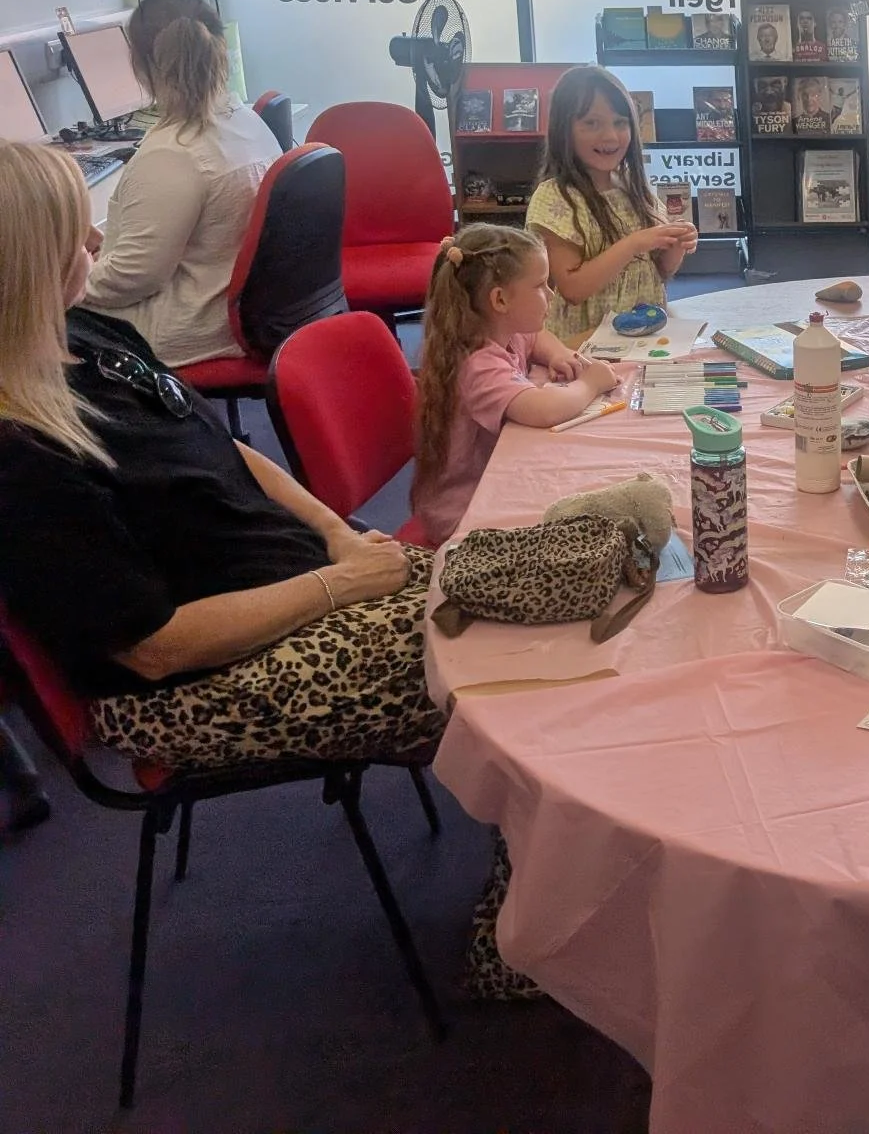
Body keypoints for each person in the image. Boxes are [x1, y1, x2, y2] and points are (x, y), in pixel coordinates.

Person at [0, 142, 530, 995]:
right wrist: (337, 583)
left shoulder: (87, 336)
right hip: (199, 688)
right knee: (521, 659)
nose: (95, 242)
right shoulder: (21, 452)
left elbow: (233, 455)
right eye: (73, 232)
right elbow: (155, 651)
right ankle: (517, 943)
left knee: (535, 595)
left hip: (297, 589)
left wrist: (338, 535)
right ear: (24, 263)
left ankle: (546, 894)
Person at [80, 0, 282, 367]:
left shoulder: (172, 152)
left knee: (29, 316)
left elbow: (133, 278)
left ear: (142, 65)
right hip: (239, 312)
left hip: (181, 329)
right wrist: (106, 247)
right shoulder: (245, 122)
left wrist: (64, 283)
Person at [409, 225, 620, 548]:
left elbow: (536, 337)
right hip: (466, 515)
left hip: (497, 482)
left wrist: (559, 353)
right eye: (540, 285)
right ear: (500, 299)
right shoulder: (477, 365)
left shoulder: (503, 329)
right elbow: (545, 410)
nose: (551, 295)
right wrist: (590, 383)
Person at [524, 65, 697, 340]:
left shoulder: (633, 187)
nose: (610, 136)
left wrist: (676, 246)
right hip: (584, 345)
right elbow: (572, 289)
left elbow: (659, 272)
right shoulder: (555, 197)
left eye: (620, 122)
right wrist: (634, 243)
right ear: (564, 130)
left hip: (642, 338)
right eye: (591, 123)